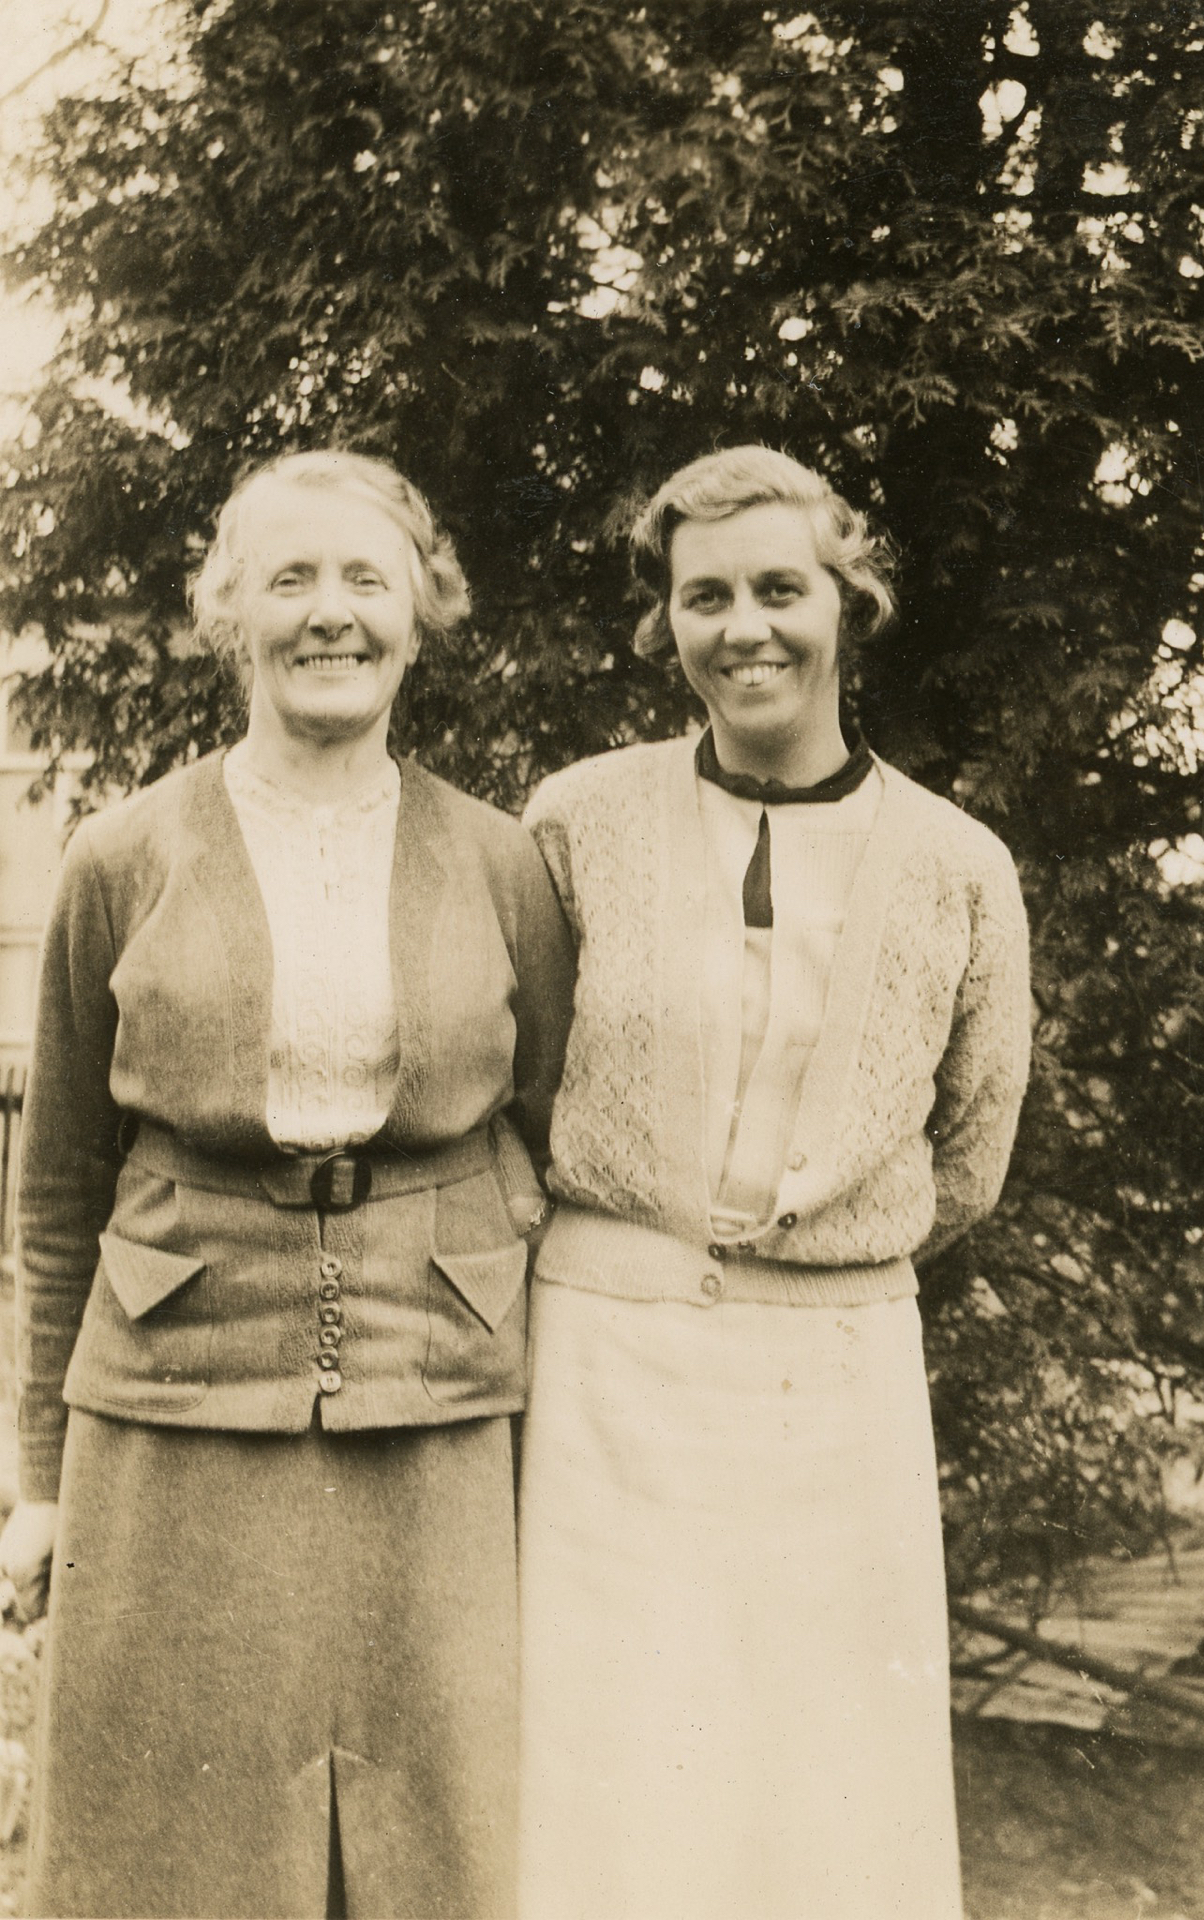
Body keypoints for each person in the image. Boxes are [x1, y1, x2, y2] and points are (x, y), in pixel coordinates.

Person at [0, 448, 575, 1919]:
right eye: (291, 577)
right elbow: (56, 1190)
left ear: (420, 614)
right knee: (166, 1844)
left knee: (437, 1842)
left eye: (367, 579)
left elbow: (551, 1132)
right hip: (171, 1399)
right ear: (228, 609)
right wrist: (40, 1481)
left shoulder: (501, 862)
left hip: (435, 1403)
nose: (332, 613)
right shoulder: (122, 858)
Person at [516, 446, 1031, 1920]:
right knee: (608, 1771)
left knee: (829, 1782)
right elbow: (523, 1078)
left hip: (834, 1386)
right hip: (607, 1375)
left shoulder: (957, 868)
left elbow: (970, 1153)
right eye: (705, 597)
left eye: (779, 590)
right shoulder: (574, 823)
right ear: (665, 622)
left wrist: (824, 1258)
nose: (744, 628)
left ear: (847, 604)